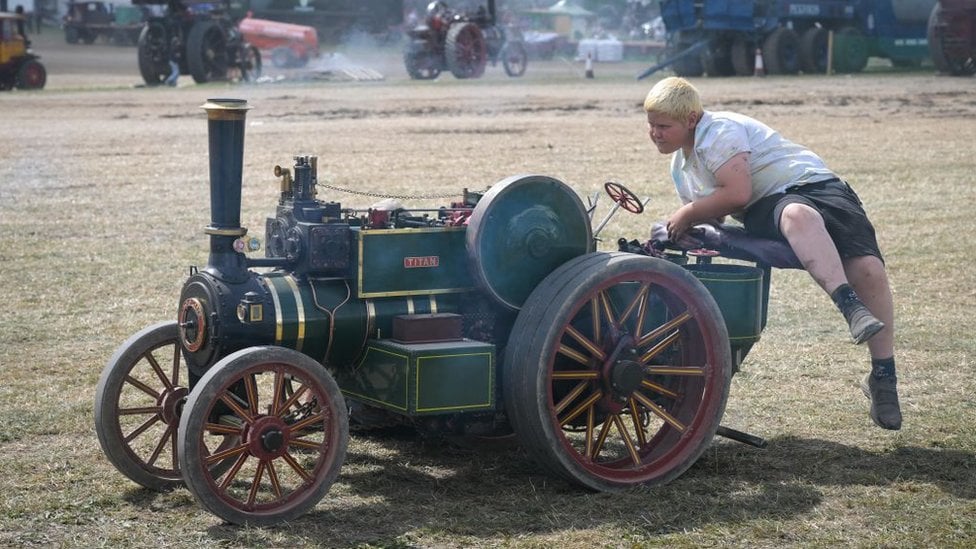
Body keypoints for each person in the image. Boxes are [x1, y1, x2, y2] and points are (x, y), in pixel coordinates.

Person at [642, 76, 902, 430]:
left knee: (869, 270)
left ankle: (884, 377)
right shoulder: (681, 168)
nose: (655, 133)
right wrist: (688, 224)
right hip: (771, 205)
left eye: (663, 126)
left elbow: (736, 193)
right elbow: (723, 209)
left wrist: (686, 214)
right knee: (798, 214)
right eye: (651, 125)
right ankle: (849, 304)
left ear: (690, 120)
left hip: (822, 186)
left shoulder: (719, 132)